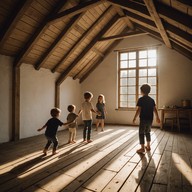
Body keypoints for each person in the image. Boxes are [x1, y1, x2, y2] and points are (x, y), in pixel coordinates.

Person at [133, 84, 160, 153]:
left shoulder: (141, 99)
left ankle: (142, 148)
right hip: (150, 119)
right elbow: (155, 109)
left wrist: (134, 118)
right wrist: (157, 117)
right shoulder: (152, 100)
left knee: (141, 133)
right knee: (148, 132)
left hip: (143, 119)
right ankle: (148, 146)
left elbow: (138, 110)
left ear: (141, 91)